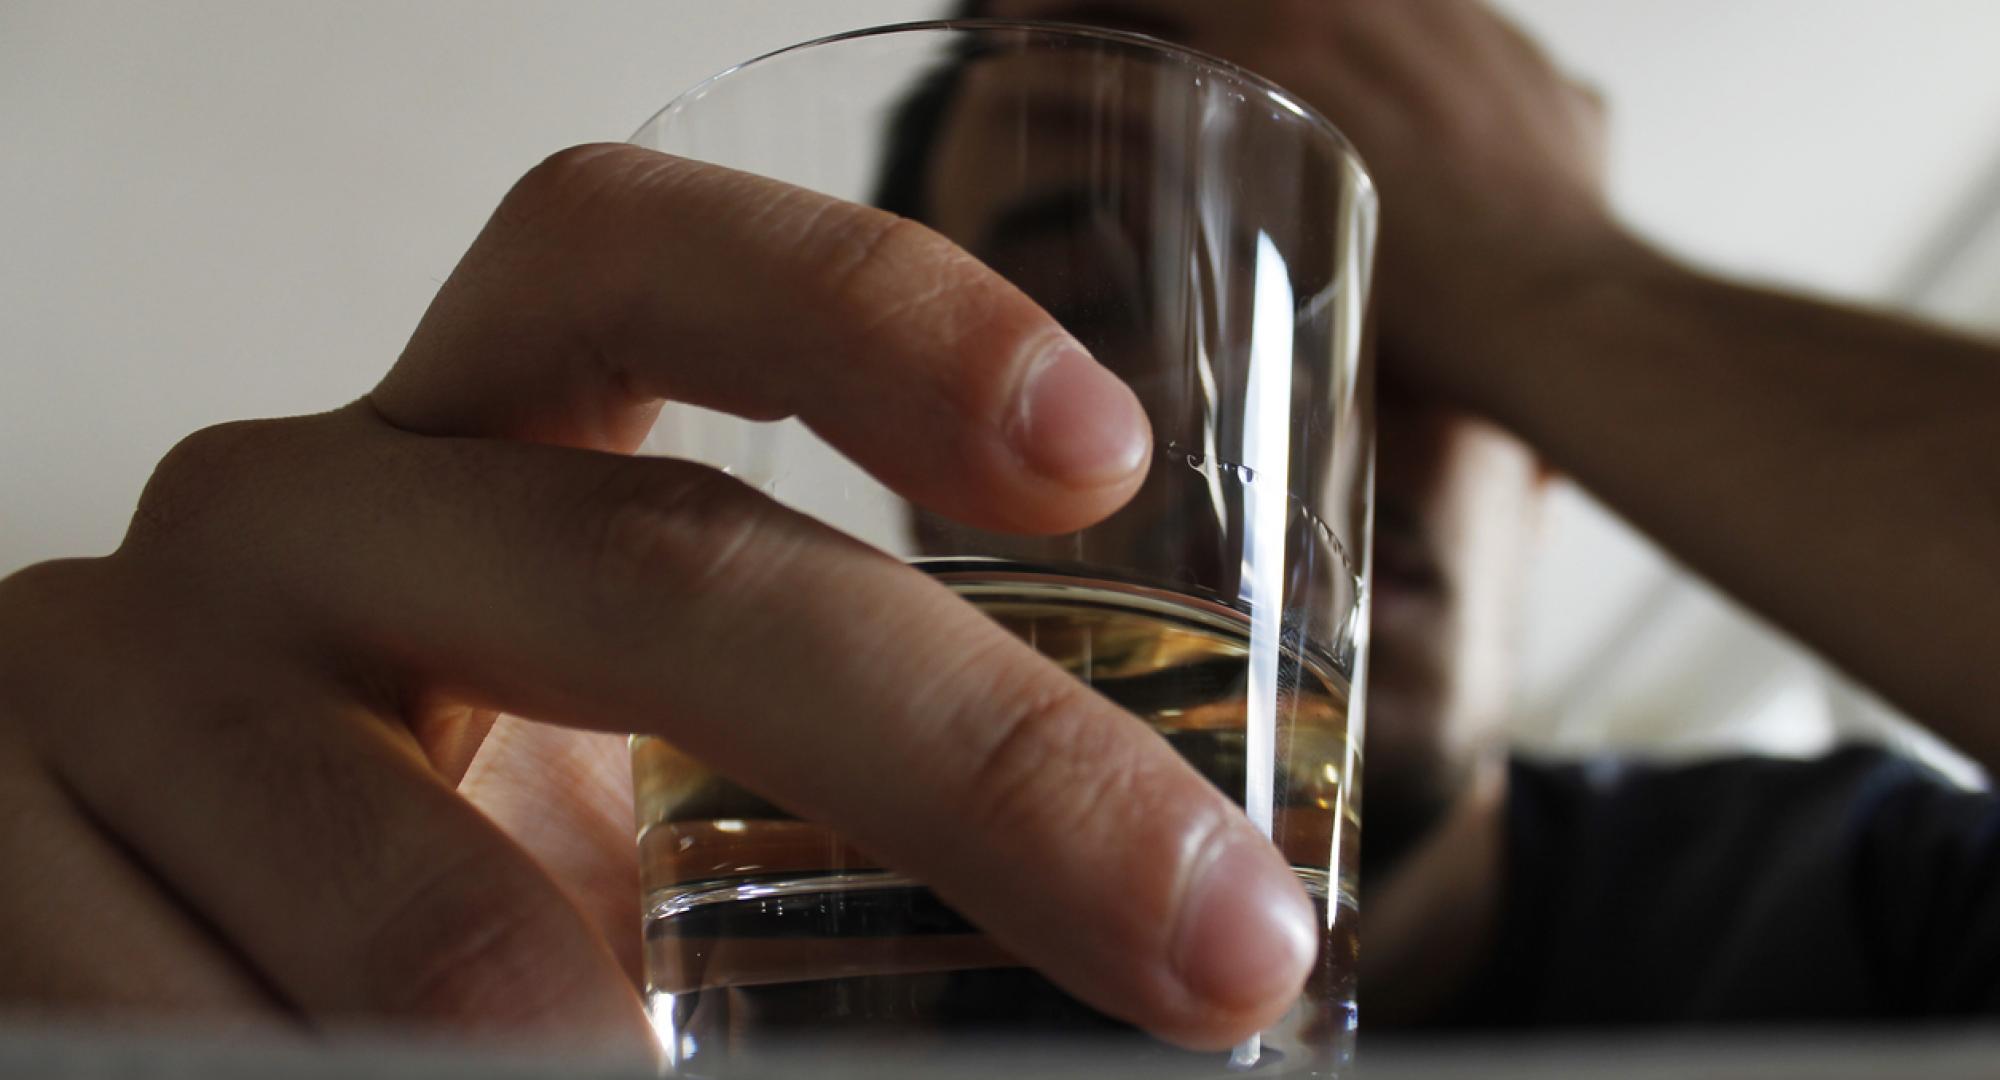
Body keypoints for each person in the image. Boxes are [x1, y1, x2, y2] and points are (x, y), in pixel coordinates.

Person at [0, 0, 1996, 1055]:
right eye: (1097, 296)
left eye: (1416, 321)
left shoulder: (1869, 889)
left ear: (1565, 458)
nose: (1265, 433)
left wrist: (1573, 282)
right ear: (911, 433)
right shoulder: (743, 955)